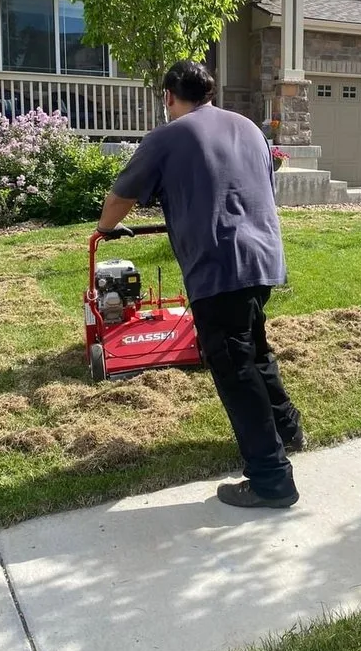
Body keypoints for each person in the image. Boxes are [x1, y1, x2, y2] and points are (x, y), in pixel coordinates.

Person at [96, 60, 304, 509]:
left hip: (219, 265)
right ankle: (287, 428)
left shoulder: (167, 136)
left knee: (234, 368)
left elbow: (120, 197)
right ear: (208, 91)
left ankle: (271, 479)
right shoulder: (249, 128)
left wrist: (104, 228)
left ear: (169, 96)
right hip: (262, 257)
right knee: (254, 349)